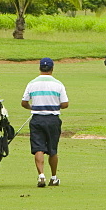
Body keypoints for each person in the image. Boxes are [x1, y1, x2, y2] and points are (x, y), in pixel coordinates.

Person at [22, 57, 69, 187]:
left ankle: (41, 175)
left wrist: (32, 107)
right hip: (53, 119)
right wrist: (54, 105)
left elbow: (24, 103)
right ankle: (53, 177)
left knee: (38, 148)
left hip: (37, 119)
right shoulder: (58, 84)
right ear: (52, 68)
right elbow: (65, 104)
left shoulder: (32, 83)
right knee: (52, 150)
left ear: (40, 68)